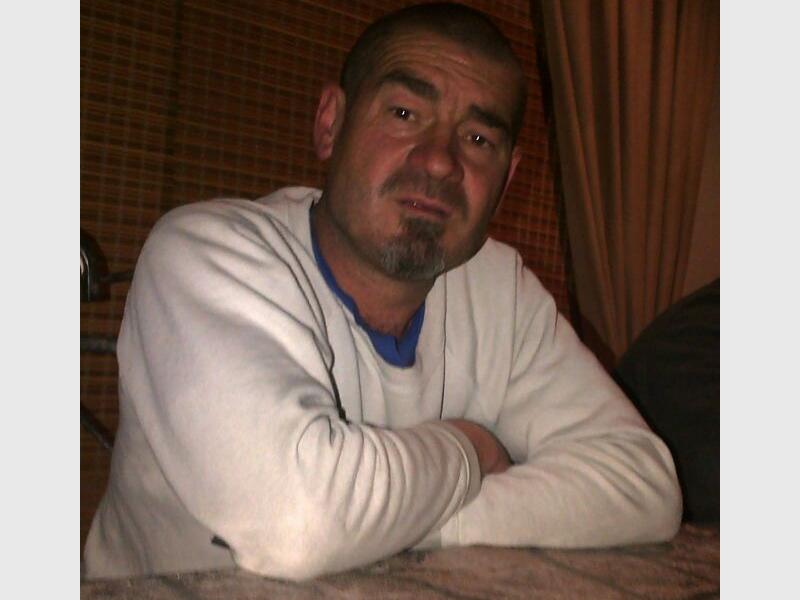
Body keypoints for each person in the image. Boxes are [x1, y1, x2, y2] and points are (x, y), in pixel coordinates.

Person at [83, 2, 681, 581]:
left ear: (506, 182)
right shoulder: (206, 254)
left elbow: (643, 485)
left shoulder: (501, 290)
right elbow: (298, 520)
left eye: (478, 140)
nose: (441, 161)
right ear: (330, 124)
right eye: (404, 113)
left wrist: (399, 524)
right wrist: (467, 450)